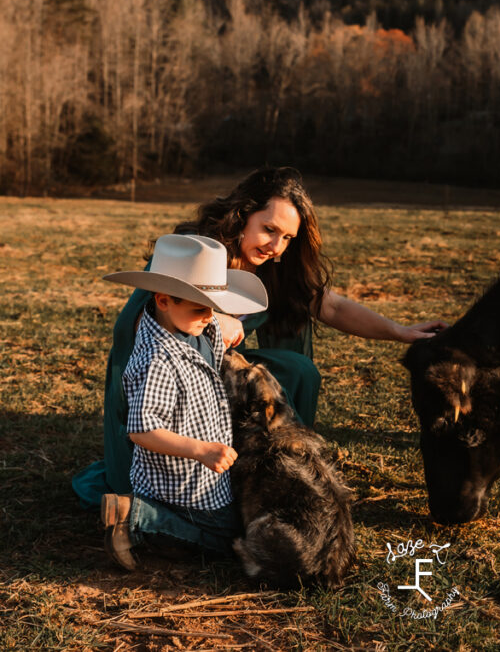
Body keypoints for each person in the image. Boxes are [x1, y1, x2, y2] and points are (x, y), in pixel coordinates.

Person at [74, 167, 446, 508]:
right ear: (242, 215)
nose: (276, 246)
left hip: (222, 368)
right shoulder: (195, 251)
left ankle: (280, 469)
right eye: (269, 229)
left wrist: (400, 332)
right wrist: (216, 320)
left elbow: (330, 307)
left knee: (299, 370)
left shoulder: (272, 267)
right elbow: (143, 324)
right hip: (172, 371)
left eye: (287, 237)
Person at [100, 234, 268, 569]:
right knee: (229, 542)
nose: (209, 317)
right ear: (163, 301)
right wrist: (201, 450)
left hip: (206, 476)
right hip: (179, 485)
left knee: (236, 523)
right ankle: (142, 518)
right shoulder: (156, 361)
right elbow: (142, 432)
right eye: (199, 308)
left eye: (213, 309)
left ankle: (156, 529)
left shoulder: (198, 330)